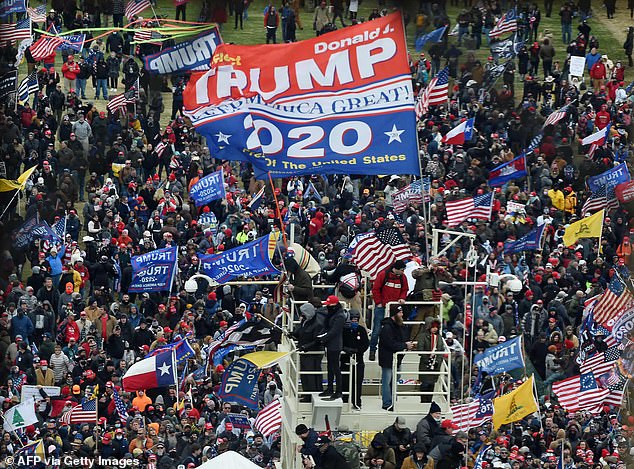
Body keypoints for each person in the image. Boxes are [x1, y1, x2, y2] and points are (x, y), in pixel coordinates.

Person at [370, 260, 408, 361]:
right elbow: (376, 289)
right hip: (382, 307)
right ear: (396, 269)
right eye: (402, 270)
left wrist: (402, 298)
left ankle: (395, 350)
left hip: (395, 309)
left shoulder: (403, 278)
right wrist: (378, 302)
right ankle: (372, 350)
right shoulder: (383, 275)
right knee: (377, 330)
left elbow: (405, 289)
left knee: (396, 330)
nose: (403, 272)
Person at [378, 305, 414, 411]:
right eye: (400, 313)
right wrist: (404, 345)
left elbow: (401, 340)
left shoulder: (400, 326)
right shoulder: (387, 327)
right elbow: (390, 343)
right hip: (387, 359)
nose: (402, 315)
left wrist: (406, 344)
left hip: (396, 359)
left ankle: (393, 400)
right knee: (387, 381)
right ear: (394, 314)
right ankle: (387, 403)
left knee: (395, 379)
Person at [293, 302, 325, 401]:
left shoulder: (318, 324)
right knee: (305, 375)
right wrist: (293, 333)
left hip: (313, 353)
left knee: (312, 375)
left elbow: (317, 341)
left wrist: (305, 347)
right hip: (305, 352)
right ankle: (307, 393)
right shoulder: (306, 321)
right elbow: (301, 332)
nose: (301, 315)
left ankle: (312, 395)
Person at [317, 295, 346, 400]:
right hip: (329, 344)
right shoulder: (332, 314)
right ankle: (330, 388)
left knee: (335, 368)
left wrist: (323, 338)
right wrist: (320, 336)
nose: (327, 307)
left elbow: (334, 331)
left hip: (335, 345)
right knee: (330, 367)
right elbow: (327, 328)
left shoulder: (340, 316)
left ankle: (338, 391)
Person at [340, 309, 368, 409]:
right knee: (345, 381)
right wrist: (346, 349)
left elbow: (365, 344)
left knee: (357, 382)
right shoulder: (344, 330)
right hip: (345, 360)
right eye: (352, 320)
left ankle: (356, 402)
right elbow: (340, 343)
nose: (354, 322)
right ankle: (344, 401)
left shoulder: (361, 330)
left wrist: (357, 350)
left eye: (356, 320)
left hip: (358, 361)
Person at [416, 318, 445, 403]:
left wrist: (437, 361)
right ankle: (424, 402)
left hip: (436, 365)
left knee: (432, 384)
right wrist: (428, 360)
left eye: (436, 327)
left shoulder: (439, 337)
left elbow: (441, 351)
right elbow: (420, 350)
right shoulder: (422, 336)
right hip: (425, 364)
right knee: (425, 384)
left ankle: (429, 402)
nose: (435, 328)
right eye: (433, 326)